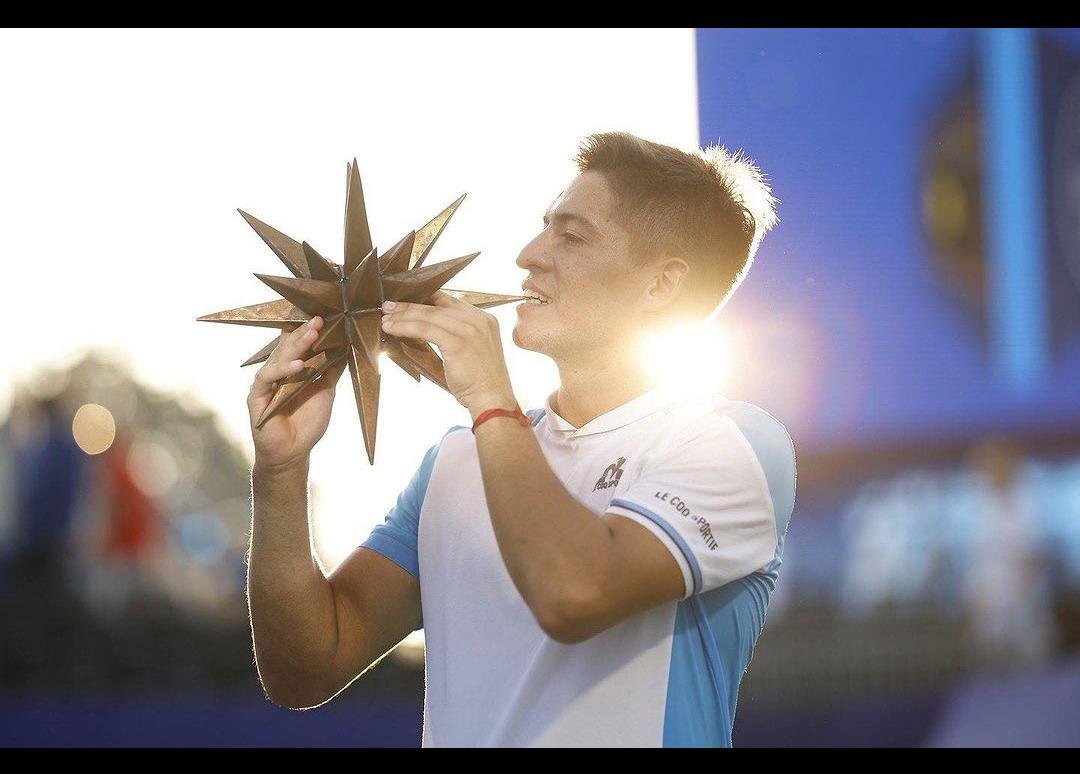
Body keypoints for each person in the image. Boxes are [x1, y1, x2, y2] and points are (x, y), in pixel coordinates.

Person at [245, 132, 796, 747]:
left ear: (661, 286)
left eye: (572, 235)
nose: (530, 255)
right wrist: (280, 474)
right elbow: (306, 671)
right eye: (543, 227)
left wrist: (491, 402)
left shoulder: (730, 444)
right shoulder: (456, 459)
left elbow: (574, 594)